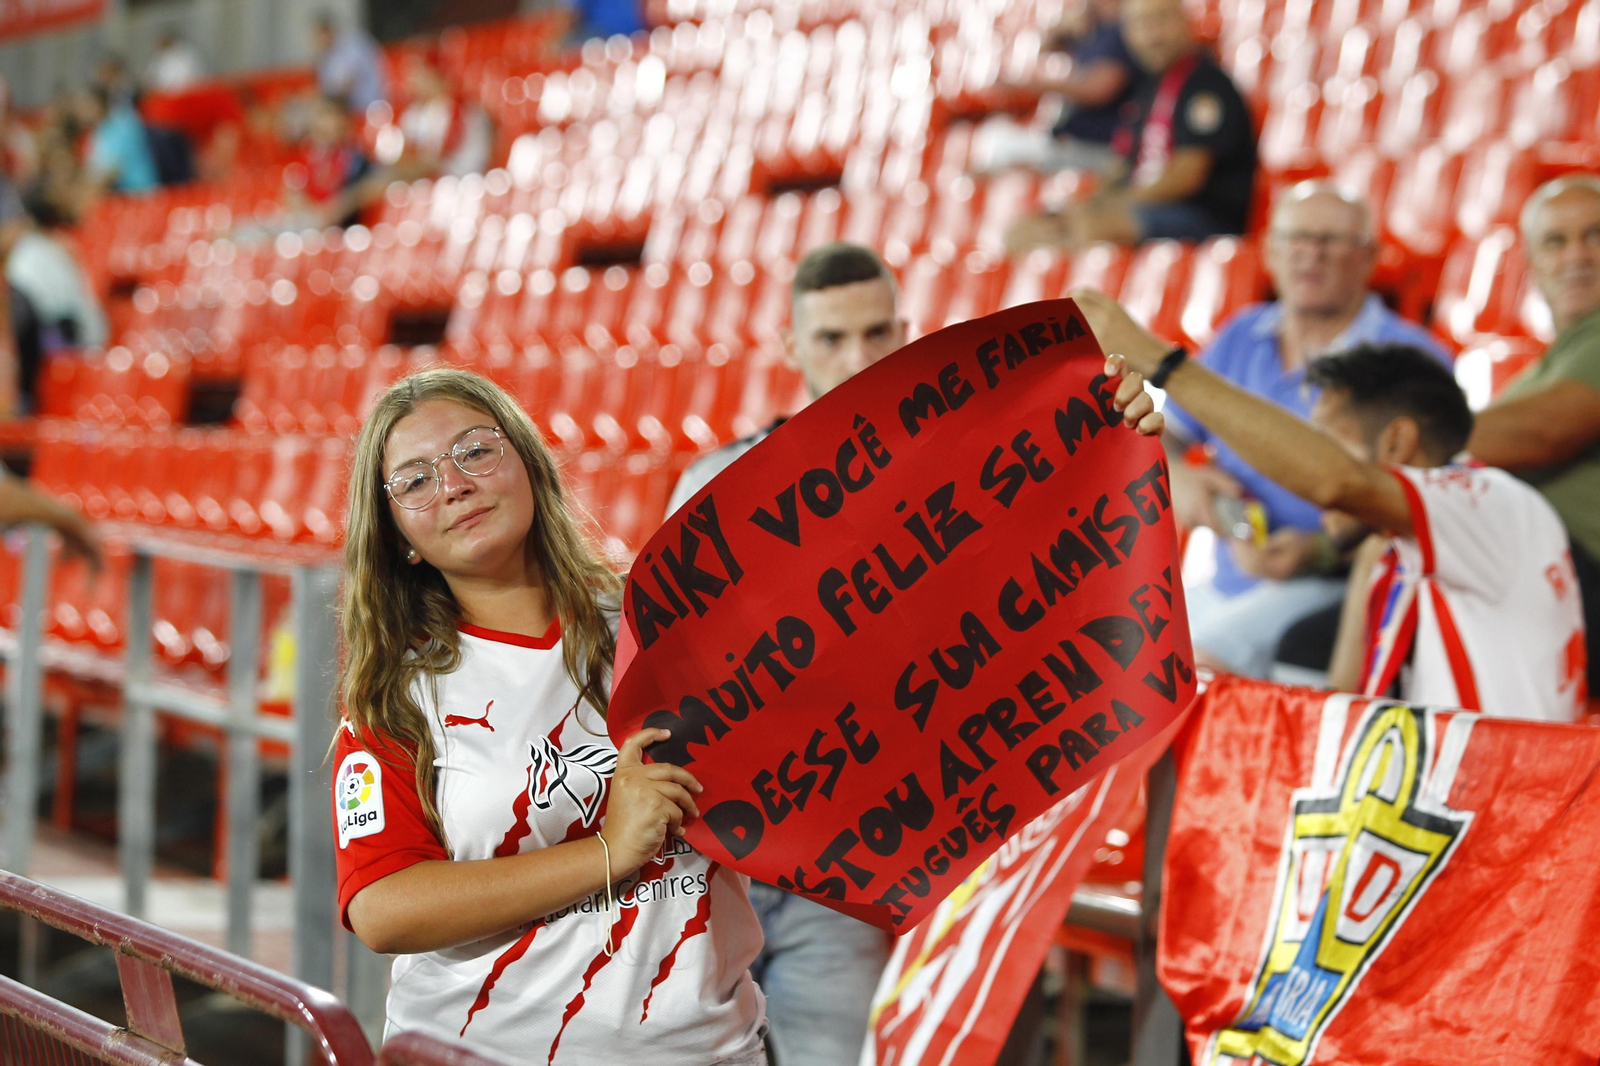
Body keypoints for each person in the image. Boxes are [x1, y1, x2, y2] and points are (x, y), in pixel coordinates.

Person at [331, 367, 768, 1062]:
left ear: (529, 463)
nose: (453, 485)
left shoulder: (664, 626)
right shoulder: (398, 696)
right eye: (414, 481)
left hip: (710, 1049)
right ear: (399, 537)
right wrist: (606, 853)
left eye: (475, 450)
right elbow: (383, 908)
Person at [1077, 290, 1587, 722]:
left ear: (1396, 444)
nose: (1301, 478)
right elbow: (1349, 699)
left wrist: (1158, 362)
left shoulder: (1490, 504)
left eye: (1323, 443)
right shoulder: (1387, 548)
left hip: (1507, 812)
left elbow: (1333, 481)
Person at [665, 242, 904, 1066]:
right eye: (833, 338)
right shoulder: (715, 484)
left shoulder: (958, 480)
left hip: (849, 862)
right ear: (792, 345)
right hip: (717, 852)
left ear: (906, 336)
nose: (859, 357)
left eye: (877, 333)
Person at [1147, 182, 1449, 680]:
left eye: (1331, 241)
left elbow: (1431, 501)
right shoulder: (1242, 332)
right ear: (1269, 251)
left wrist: (1324, 552)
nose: (1311, 255)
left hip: (1340, 583)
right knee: (1110, 664)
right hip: (1229, 579)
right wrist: (1180, 477)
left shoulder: (1410, 359)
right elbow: (1163, 431)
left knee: (1183, 675)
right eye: (1296, 239)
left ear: (1368, 257)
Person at [1465, 175, 1600, 695]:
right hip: (1541, 579)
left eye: (1595, 236)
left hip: (1575, 579)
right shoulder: (1538, 373)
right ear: (1531, 265)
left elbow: (1542, 434)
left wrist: (1407, 435)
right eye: (1556, 241)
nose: (1578, 256)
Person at [1005, 0, 1255, 250]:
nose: (1152, 35)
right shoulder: (1147, 89)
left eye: (1161, 20)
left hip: (1201, 216)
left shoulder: (1208, 85)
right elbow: (1121, 164)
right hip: (1145, 208)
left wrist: (1118, 204)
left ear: (1184, 22)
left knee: (1092, 228)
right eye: (1140, 25)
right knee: (1024, 231)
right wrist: (1090, 203)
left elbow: (1186, 176)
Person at [973, 0, 1140, 177]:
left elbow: (1097, 91)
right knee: (992, 140)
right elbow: (1046, 48)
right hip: (1073, 133)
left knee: (997, 147)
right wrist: (1062, 26)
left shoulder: (1124, 29)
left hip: (1106, 143)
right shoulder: (1094, 25)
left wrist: (1023, 85)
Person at [395, 55, 494, 179]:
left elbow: (439, 157)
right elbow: (406, 154)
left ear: (437, 76)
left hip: (461, 179)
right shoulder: (415, 112)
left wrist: (406, 168)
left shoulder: (458, 107)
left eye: (422, 76)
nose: (415, 82)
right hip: (431, 178)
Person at [78, 87, 161, 195]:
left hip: (139, 192)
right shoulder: (96, 132)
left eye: (87, 106)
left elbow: (114, 170)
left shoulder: (123, 126)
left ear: (99, 105)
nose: (82, 111)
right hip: (117, 192)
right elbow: (92, 168)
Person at [312, 13, 389, 114]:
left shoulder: (353, 45)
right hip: (348, 110)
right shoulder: (326, 58)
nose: (318, 41)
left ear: (328, 31)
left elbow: (348, 85)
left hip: (371, 106)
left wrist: (322, 99)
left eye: (320, 35)